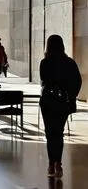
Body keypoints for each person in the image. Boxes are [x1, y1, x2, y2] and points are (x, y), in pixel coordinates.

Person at [40, 34, 81, 179]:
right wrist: (70, 96)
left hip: (48, 102)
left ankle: (51, 164)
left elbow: (44, 80)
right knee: (59, 132)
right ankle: (58, 163)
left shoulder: (45, 62)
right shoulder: (69, 63)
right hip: (62, 102)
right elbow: (77, 81)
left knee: (49, 133)